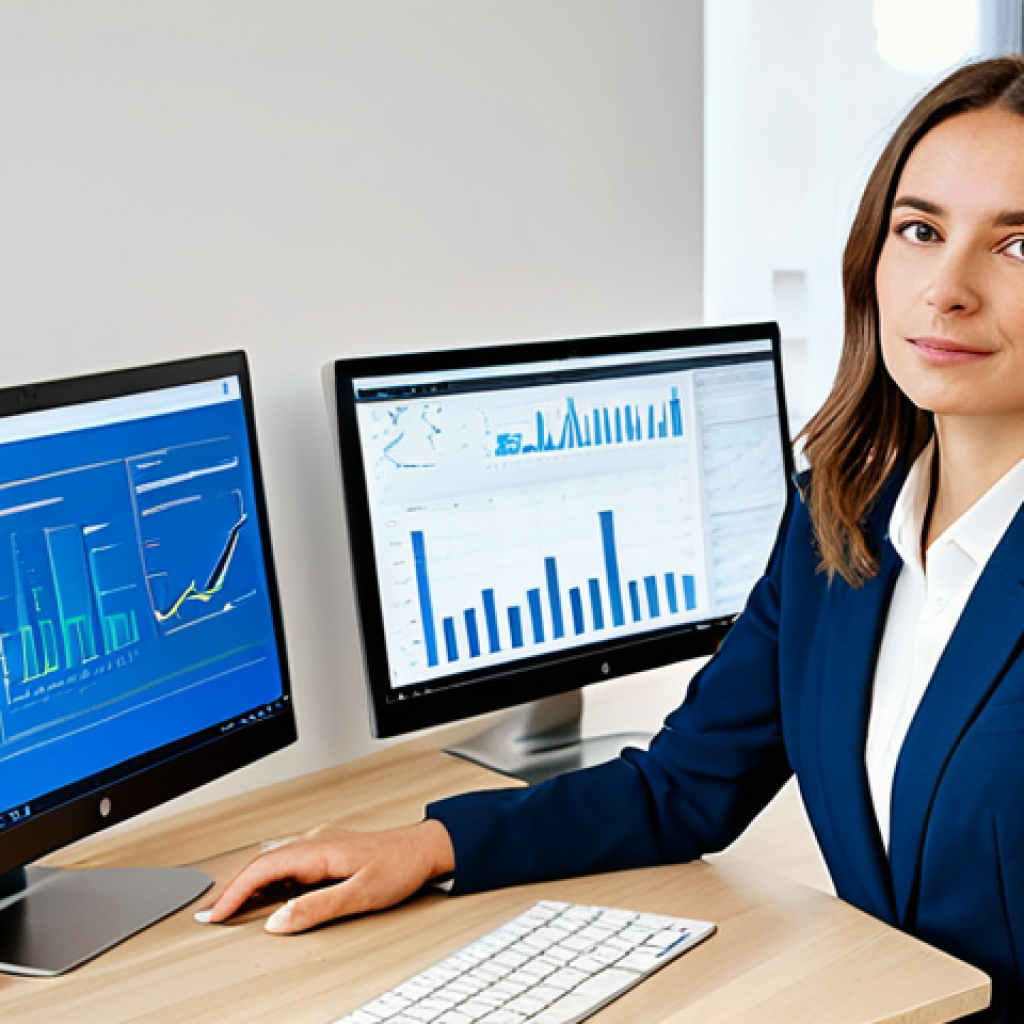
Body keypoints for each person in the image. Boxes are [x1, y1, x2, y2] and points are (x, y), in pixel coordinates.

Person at [200, 56, 1024, 1022]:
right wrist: (427, 845)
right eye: (919, 230)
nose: (946, 290)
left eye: (1017, 247)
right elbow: (682, 789)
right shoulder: (837, 522)